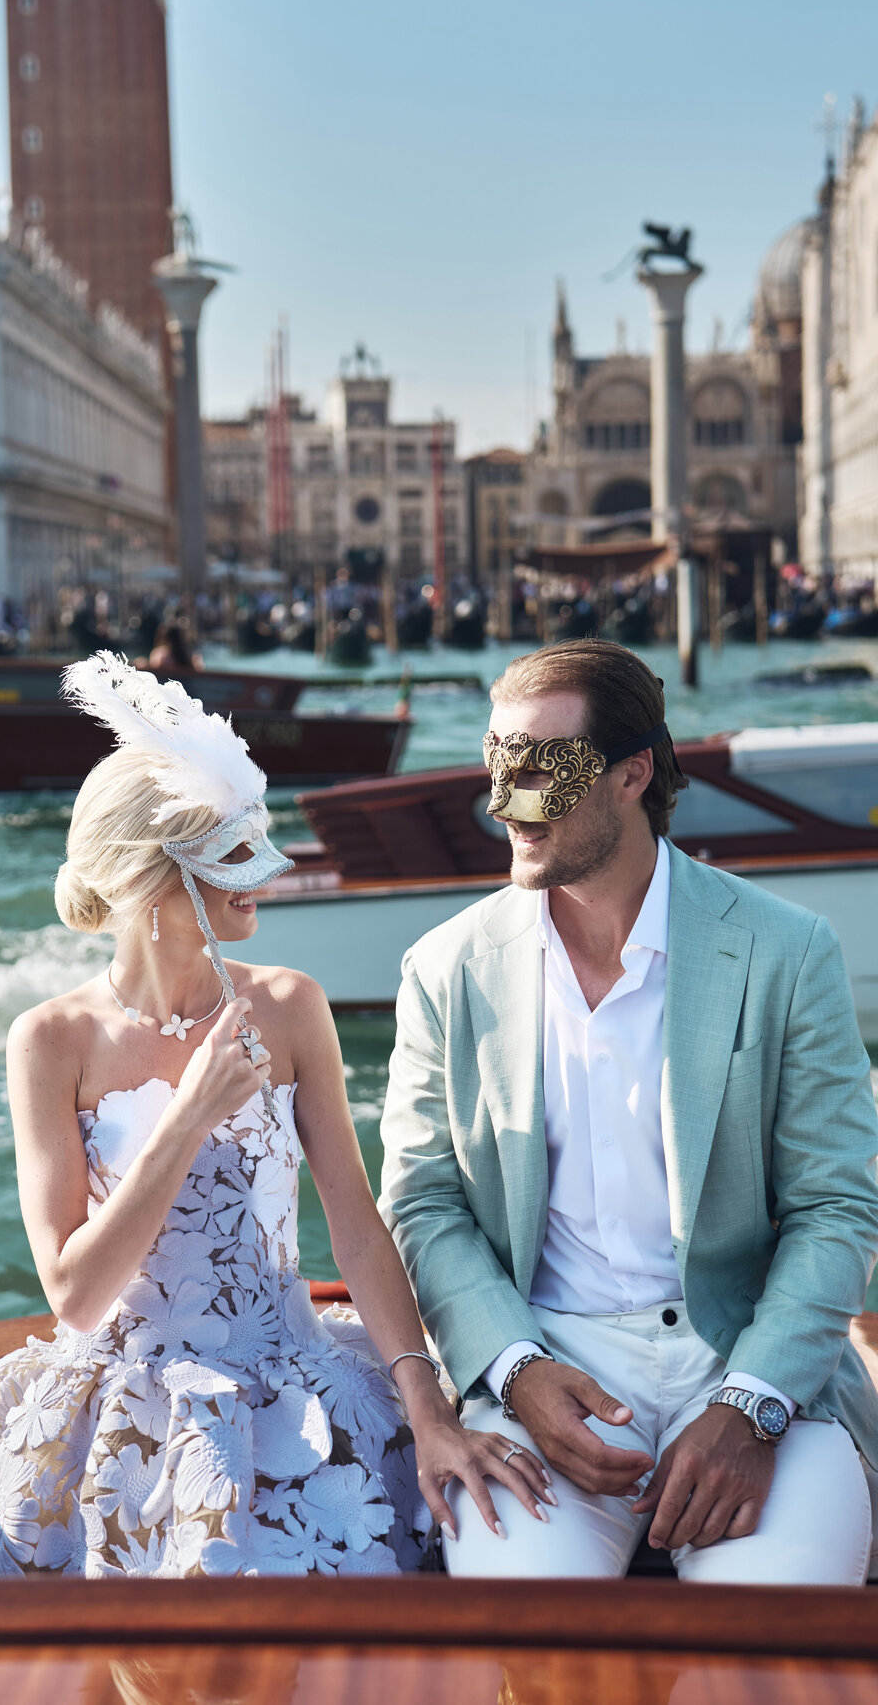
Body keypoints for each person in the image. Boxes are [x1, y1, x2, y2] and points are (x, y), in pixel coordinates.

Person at [0, 652, 550, 1579]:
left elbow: (357, 1230)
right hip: (126, 1403)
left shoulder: (292, 1003)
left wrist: (429, 1409)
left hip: (296, 1378)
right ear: (153, 877)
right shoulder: (48, 1040)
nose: (266, 877)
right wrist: (189, 1114)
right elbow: (73, 1294)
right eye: (233, 853)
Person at [380, 638, 878, 1585]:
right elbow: (424, 1203)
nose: (504, 803)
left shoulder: (787, 951)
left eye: (539, 773)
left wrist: (753, 1403)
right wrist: (518, 1372)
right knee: (535, 1644)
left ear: (632, 773)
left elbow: (837, 1208)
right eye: (496, 765)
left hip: (749, 1359)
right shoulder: (445, 967)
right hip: (546, 1365)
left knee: (765, 1652)